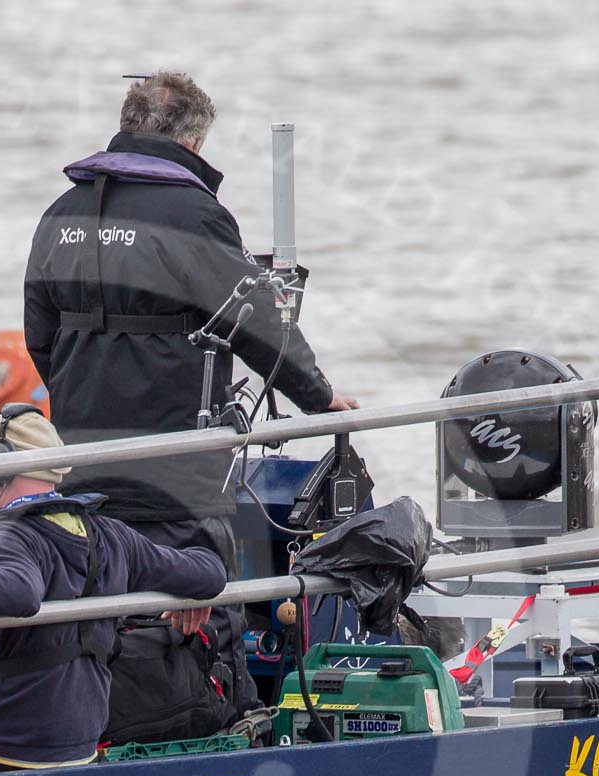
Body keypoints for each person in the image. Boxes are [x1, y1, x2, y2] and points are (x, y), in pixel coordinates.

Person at [23, 68, 358, 530]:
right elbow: (254, 319)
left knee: (99, 582)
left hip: (81, 455)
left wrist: (81, 397)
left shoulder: (60, 213)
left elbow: (39, 337)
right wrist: (319, 396)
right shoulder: (195, 215)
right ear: (193, 143)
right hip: (177, 469)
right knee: (193, 590)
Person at [0, 406, 228, 773]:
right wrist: (191, 596)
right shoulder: (110, 534)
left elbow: (17, 590)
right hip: (80, 745)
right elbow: (210, 572)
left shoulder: (9, 534)